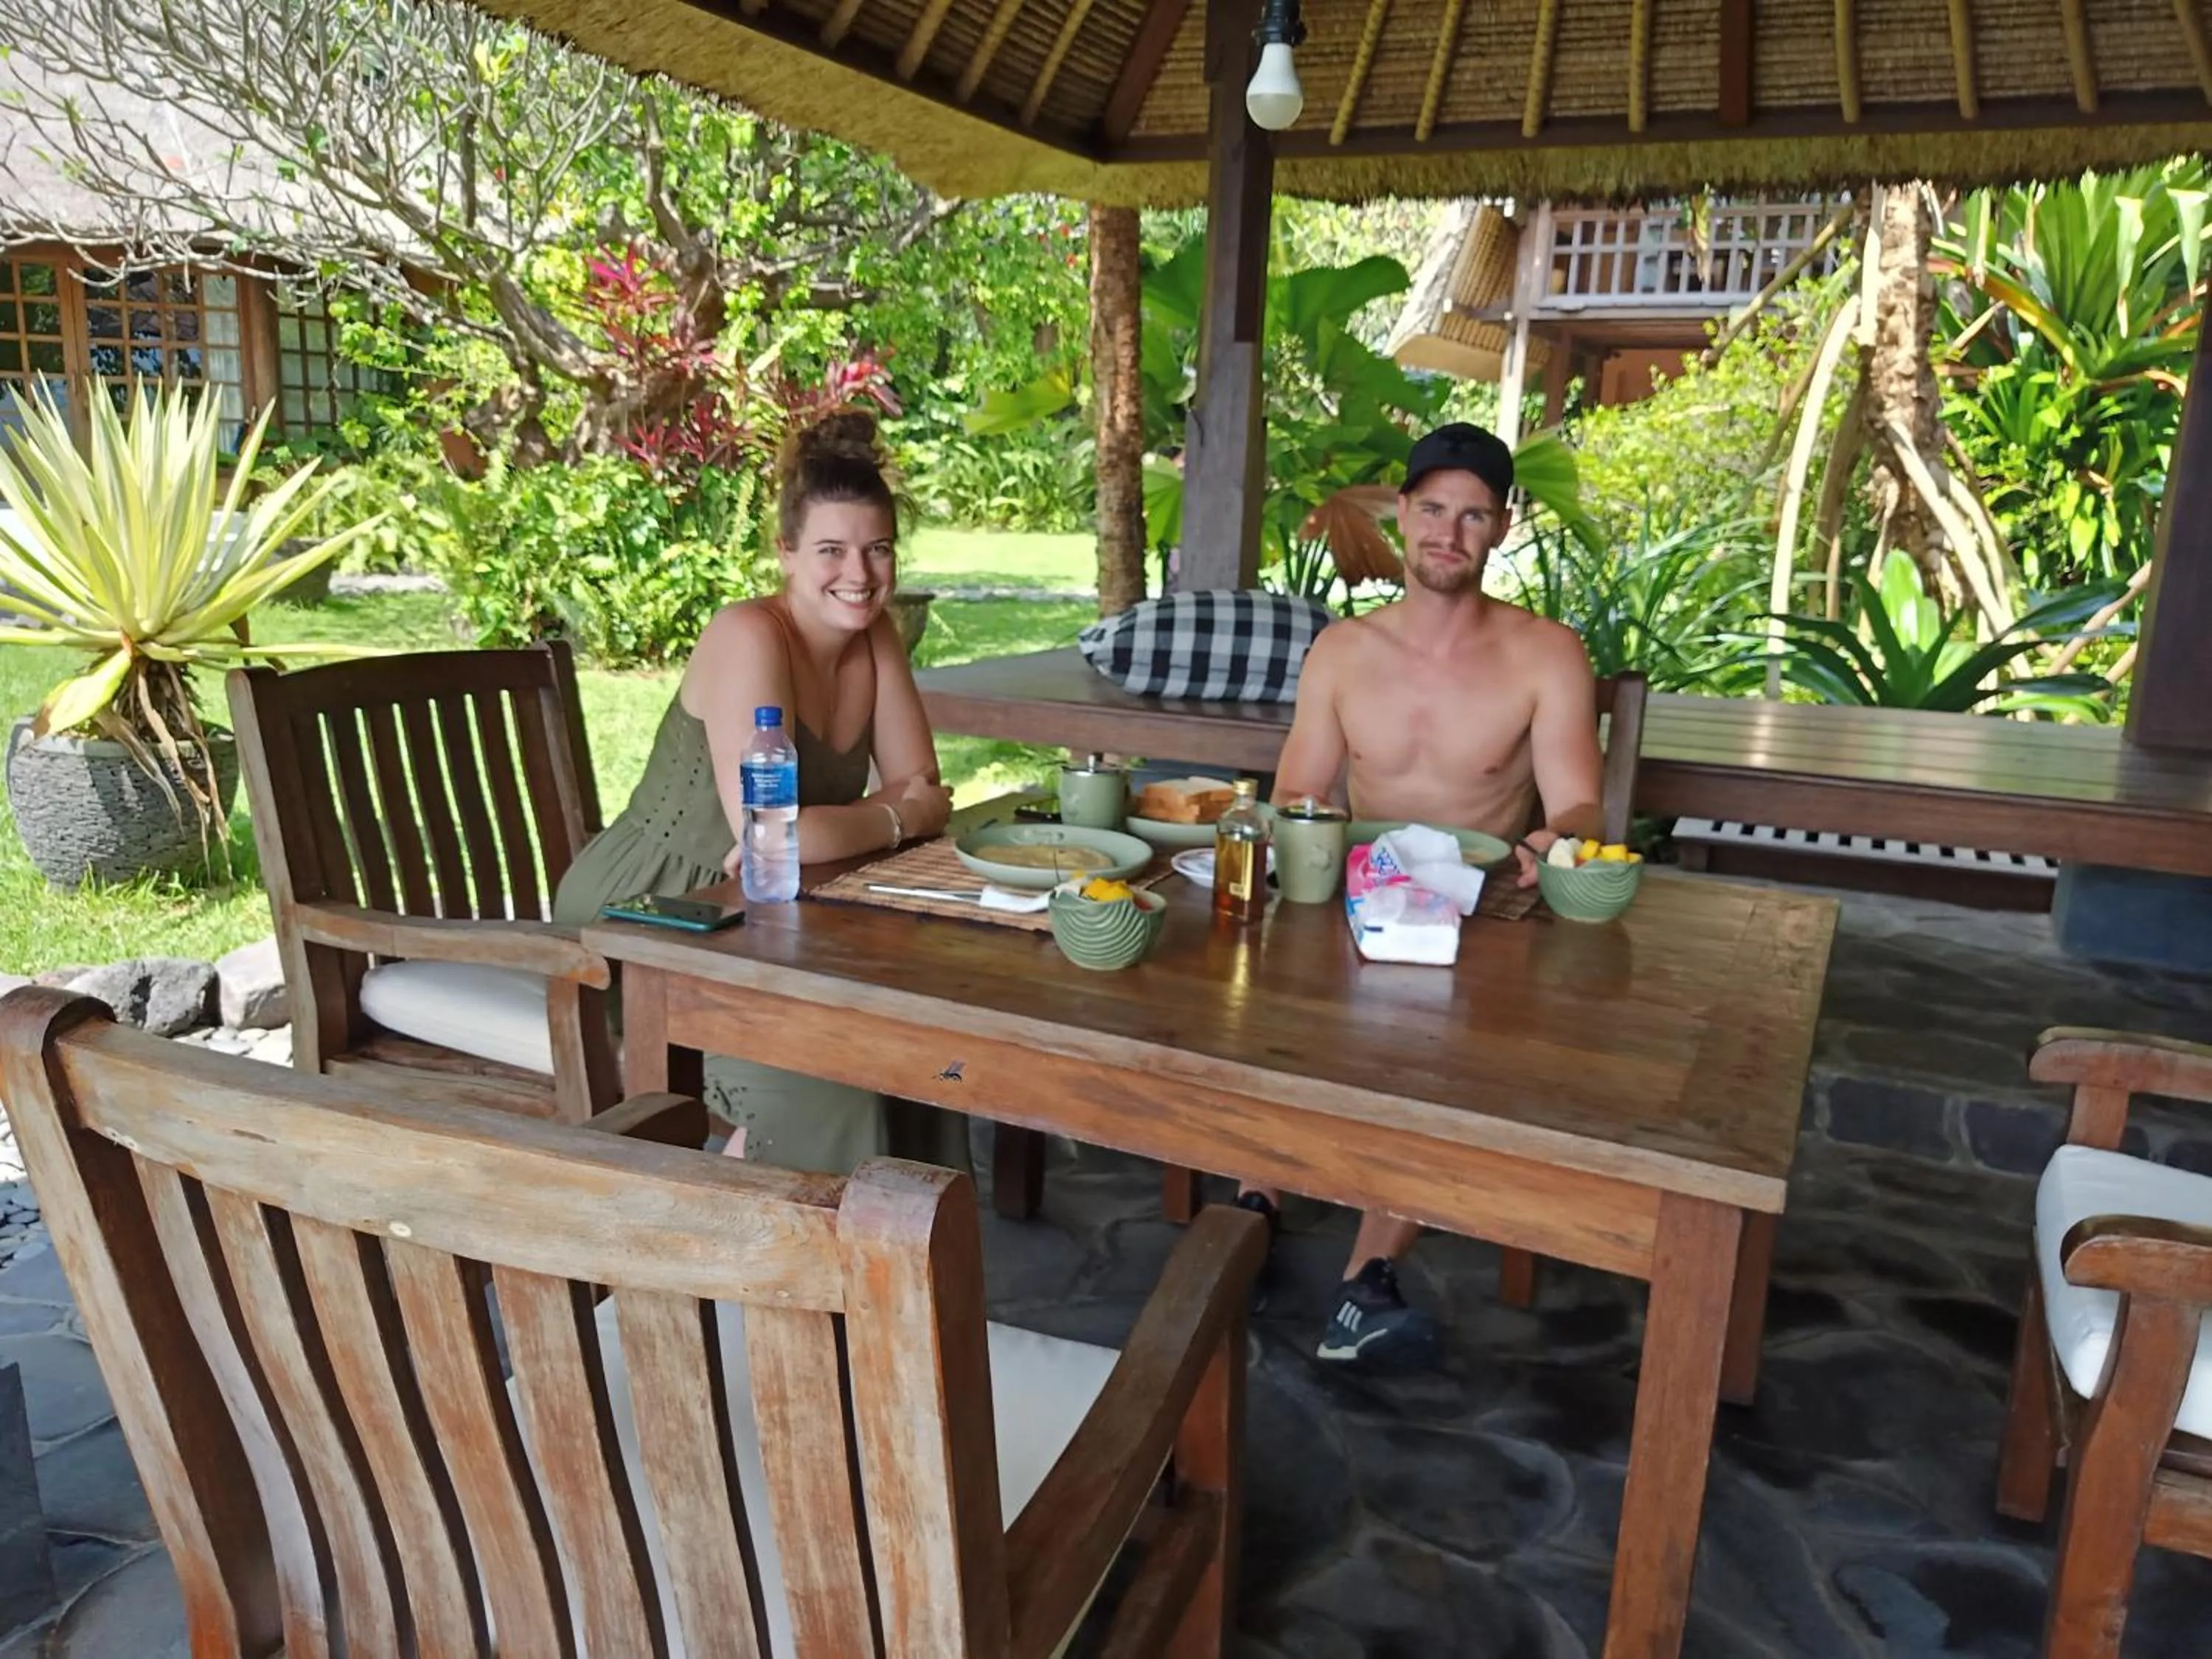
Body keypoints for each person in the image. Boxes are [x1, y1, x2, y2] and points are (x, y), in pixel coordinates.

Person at [1243, 420, 1605, 1370]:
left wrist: (1555, 837)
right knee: (1264, 1005)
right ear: (1401, 514)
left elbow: (1575, 798)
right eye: (1434, 509)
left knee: (1433, 1061)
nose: (1450, 532)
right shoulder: (1342, 652)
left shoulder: (1546, 653)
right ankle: (1254, 1207)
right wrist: (1301, 845)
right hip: (1354, 893)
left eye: (1474, 515)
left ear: (1502, 529)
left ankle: (1369, 1278)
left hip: (1485, 908)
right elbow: (1298, 794)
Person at [553, 411, 967, 1175]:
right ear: (785, 552)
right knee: (830, 1080)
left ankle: (894, 1268)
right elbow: (777, 834)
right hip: (658, 911)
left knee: (925, 1053)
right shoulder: (749, 634)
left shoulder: (874, 637)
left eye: (878, 551)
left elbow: (923, 791)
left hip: (775, 911)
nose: (861, 574)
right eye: (832, 551)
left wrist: (883, 816)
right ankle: (746, 1254)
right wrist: (892, 814)